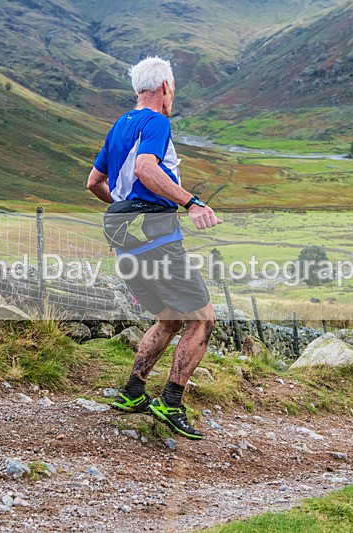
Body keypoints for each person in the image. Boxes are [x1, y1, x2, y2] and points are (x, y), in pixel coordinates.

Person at [86, 57, 221, 439]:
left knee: (169, 317)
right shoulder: (157, 121)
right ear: (165, 88)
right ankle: (171, 402)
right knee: (202, 319)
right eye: (173, 89)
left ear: (137, 90)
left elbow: (95, 182)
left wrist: (125, 205)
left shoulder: (120, 125)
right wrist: (191, 202)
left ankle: (132, 393)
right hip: (156, 236)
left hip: (122, 235)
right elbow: (146, 167)